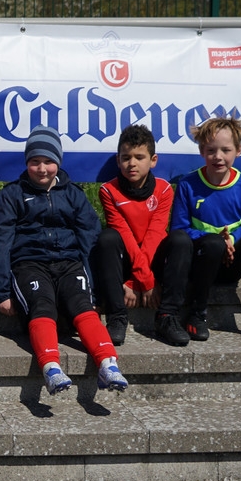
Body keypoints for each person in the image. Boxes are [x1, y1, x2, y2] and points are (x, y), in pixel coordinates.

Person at [0, 125, 128, 396]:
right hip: (29, 264)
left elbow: (89, 240)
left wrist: (94, 289)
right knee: (42, 305)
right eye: (35, 162)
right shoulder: (12, 195)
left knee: (83, 306)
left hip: (69, 263)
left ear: (58, 162)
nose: (42, 169)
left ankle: (108, 363)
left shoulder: (73, 194)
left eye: (48, 161)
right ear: (26, 162)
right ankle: (51, 367)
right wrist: (1, 291)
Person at [170, 117, 241, 343]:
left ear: (238, 151)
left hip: (231, 262)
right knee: (213, 243)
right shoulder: (188, 185)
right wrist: (216, 239)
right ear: (202, 151)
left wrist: (232, 240)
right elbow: (179, 229)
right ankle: (197, 313)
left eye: (226, 150)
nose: (218, 156)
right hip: (201, 262)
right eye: (211, 150)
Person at [94, 125, 192, 347]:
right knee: (107, 238)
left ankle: (167, 316)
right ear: (118, 161)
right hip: (127, 262)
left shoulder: (164, 189)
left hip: (152, 259)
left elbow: (155, 235)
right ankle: (117, 316)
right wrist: (139, 280)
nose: (132, 163)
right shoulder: (108, 191)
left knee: (181, 239)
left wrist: (143, 280)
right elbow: (124, 235)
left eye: (139, 157)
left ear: (153, 160)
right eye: (126, 157)